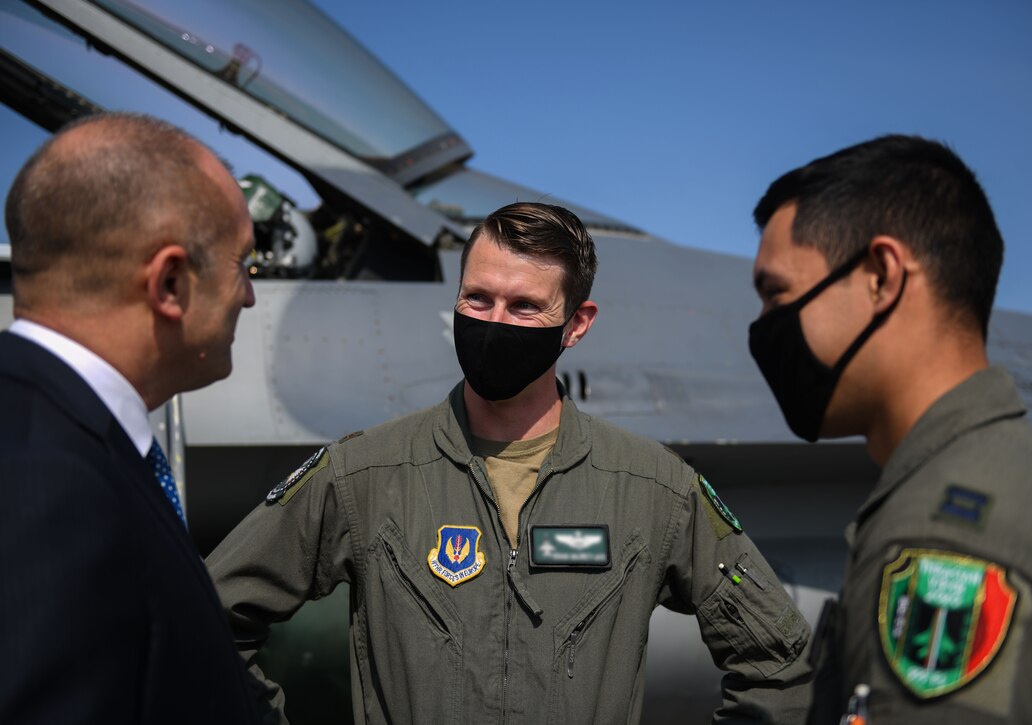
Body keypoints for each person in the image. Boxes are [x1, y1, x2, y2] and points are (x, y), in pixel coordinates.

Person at [207, 201, 812, 723]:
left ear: (577, 324)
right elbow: (205, 615)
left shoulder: (653, 489)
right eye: (478, 298)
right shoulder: (365, 475)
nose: (495, 323)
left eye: (524, 308)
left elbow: (778, 660)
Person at [747, 134, 1032, 723]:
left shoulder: (953, 536)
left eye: (777, 293)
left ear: (881, 275)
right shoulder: (991, 482)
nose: (763, 327)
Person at [0, 113, 264, 723]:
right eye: (242, 265)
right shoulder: (43, 485)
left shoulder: (66, 442)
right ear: (169, 282)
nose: (249, 295)